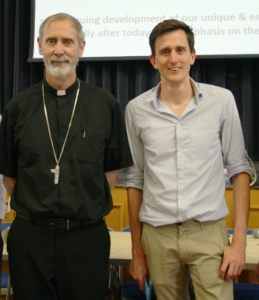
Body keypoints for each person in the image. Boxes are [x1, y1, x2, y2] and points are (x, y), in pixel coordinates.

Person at [0, 13, 132, 300]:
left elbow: (111, 173)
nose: (59, 49)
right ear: (40, 46)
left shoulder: (104, 104)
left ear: (80, 48)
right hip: (31, 238)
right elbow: (10, 176)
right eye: (51, 41)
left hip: (86, 238)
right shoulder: (17, 108)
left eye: (67, 42)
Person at [124, 19, 256, 300]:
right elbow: (134, 180)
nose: (174, 58)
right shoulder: (135, 110)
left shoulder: (222, 101)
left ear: (192, 56)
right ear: (153, 60)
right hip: (158, 236)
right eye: (165, 51)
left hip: (208, 232)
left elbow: (239, 169)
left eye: (181, 50)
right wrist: (137, 249)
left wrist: (240, 241)